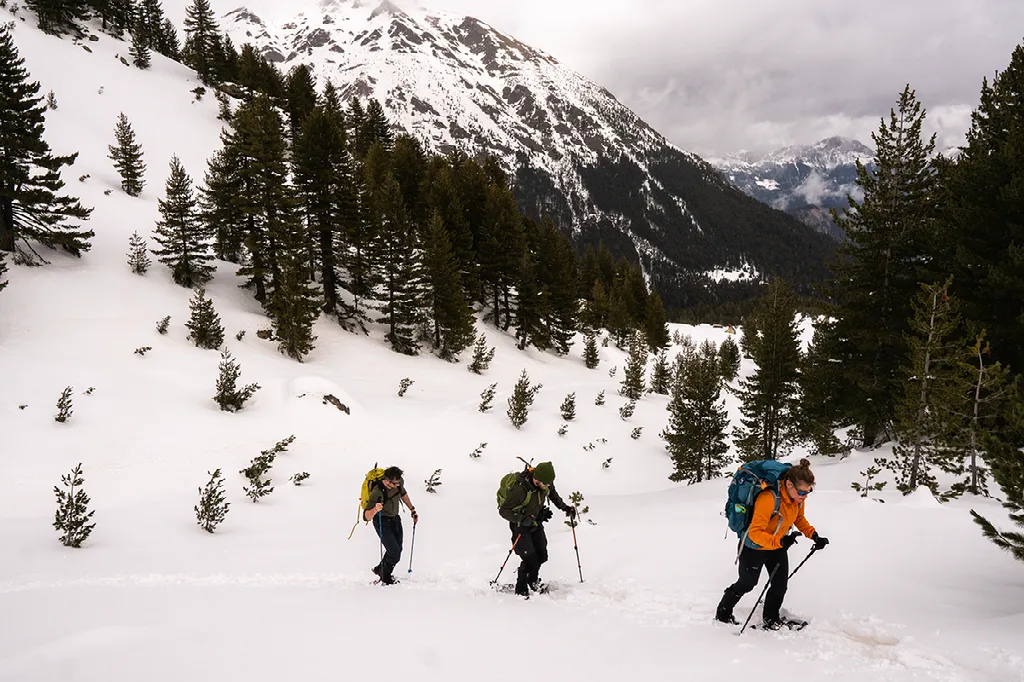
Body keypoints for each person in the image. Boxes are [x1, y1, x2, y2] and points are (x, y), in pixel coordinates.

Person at [715, 458, 829, 629]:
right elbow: (754, 533)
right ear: (789, 485)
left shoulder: (797, 499)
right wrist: (780, 541)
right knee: (747, 583)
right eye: (802, 492)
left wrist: (813, 535)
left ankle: (771, 619)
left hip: (777, 546)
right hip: (754, 547)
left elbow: (799, 518)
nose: (804, 496)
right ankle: (723, 612)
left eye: (808, 492)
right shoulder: (768, 498)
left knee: (780, 584)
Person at [498, 461, 576, 597]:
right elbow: (504, 511)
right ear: (537, 479)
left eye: (549, 484)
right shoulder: (520, 490)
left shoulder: (546, 483)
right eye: (546, 484)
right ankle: (521, 589)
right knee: (530, 558)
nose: (548, 486)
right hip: (520, 526)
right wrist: (521, 519)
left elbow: (553, 495)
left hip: (535, 522)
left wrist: (565, 508)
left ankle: (532, 581)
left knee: (542, 555)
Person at [364, 466, 418, 585]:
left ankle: (380, 569)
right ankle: (385, 577)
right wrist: (375, 509)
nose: (398, 485)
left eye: (399, 482)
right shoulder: (377, 491)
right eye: (395, 483)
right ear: (386, 481)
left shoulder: (398, 483)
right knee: (394, 552)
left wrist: (412, 510)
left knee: (397, 550)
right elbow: (366, 516)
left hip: (395, 519)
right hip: (381, 521)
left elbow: (403, 494)